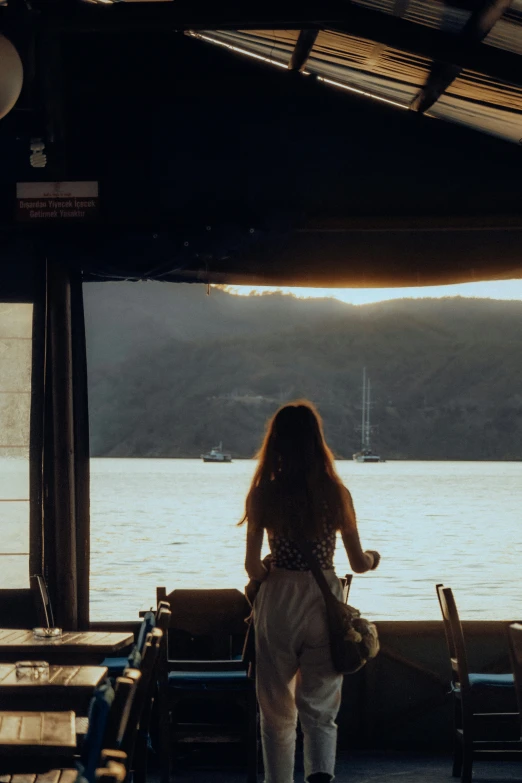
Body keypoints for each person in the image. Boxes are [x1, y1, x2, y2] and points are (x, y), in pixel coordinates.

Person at [239, 400, 380, 783]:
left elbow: (252, 568)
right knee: (319, 708)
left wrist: (269, 565)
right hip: (324, 603)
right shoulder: (337, 494)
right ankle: (319, 776)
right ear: (317, 442)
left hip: (278, 601)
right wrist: (373, 558)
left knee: (275, 708)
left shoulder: (262, 495)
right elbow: (356, 563)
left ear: (276, 444)